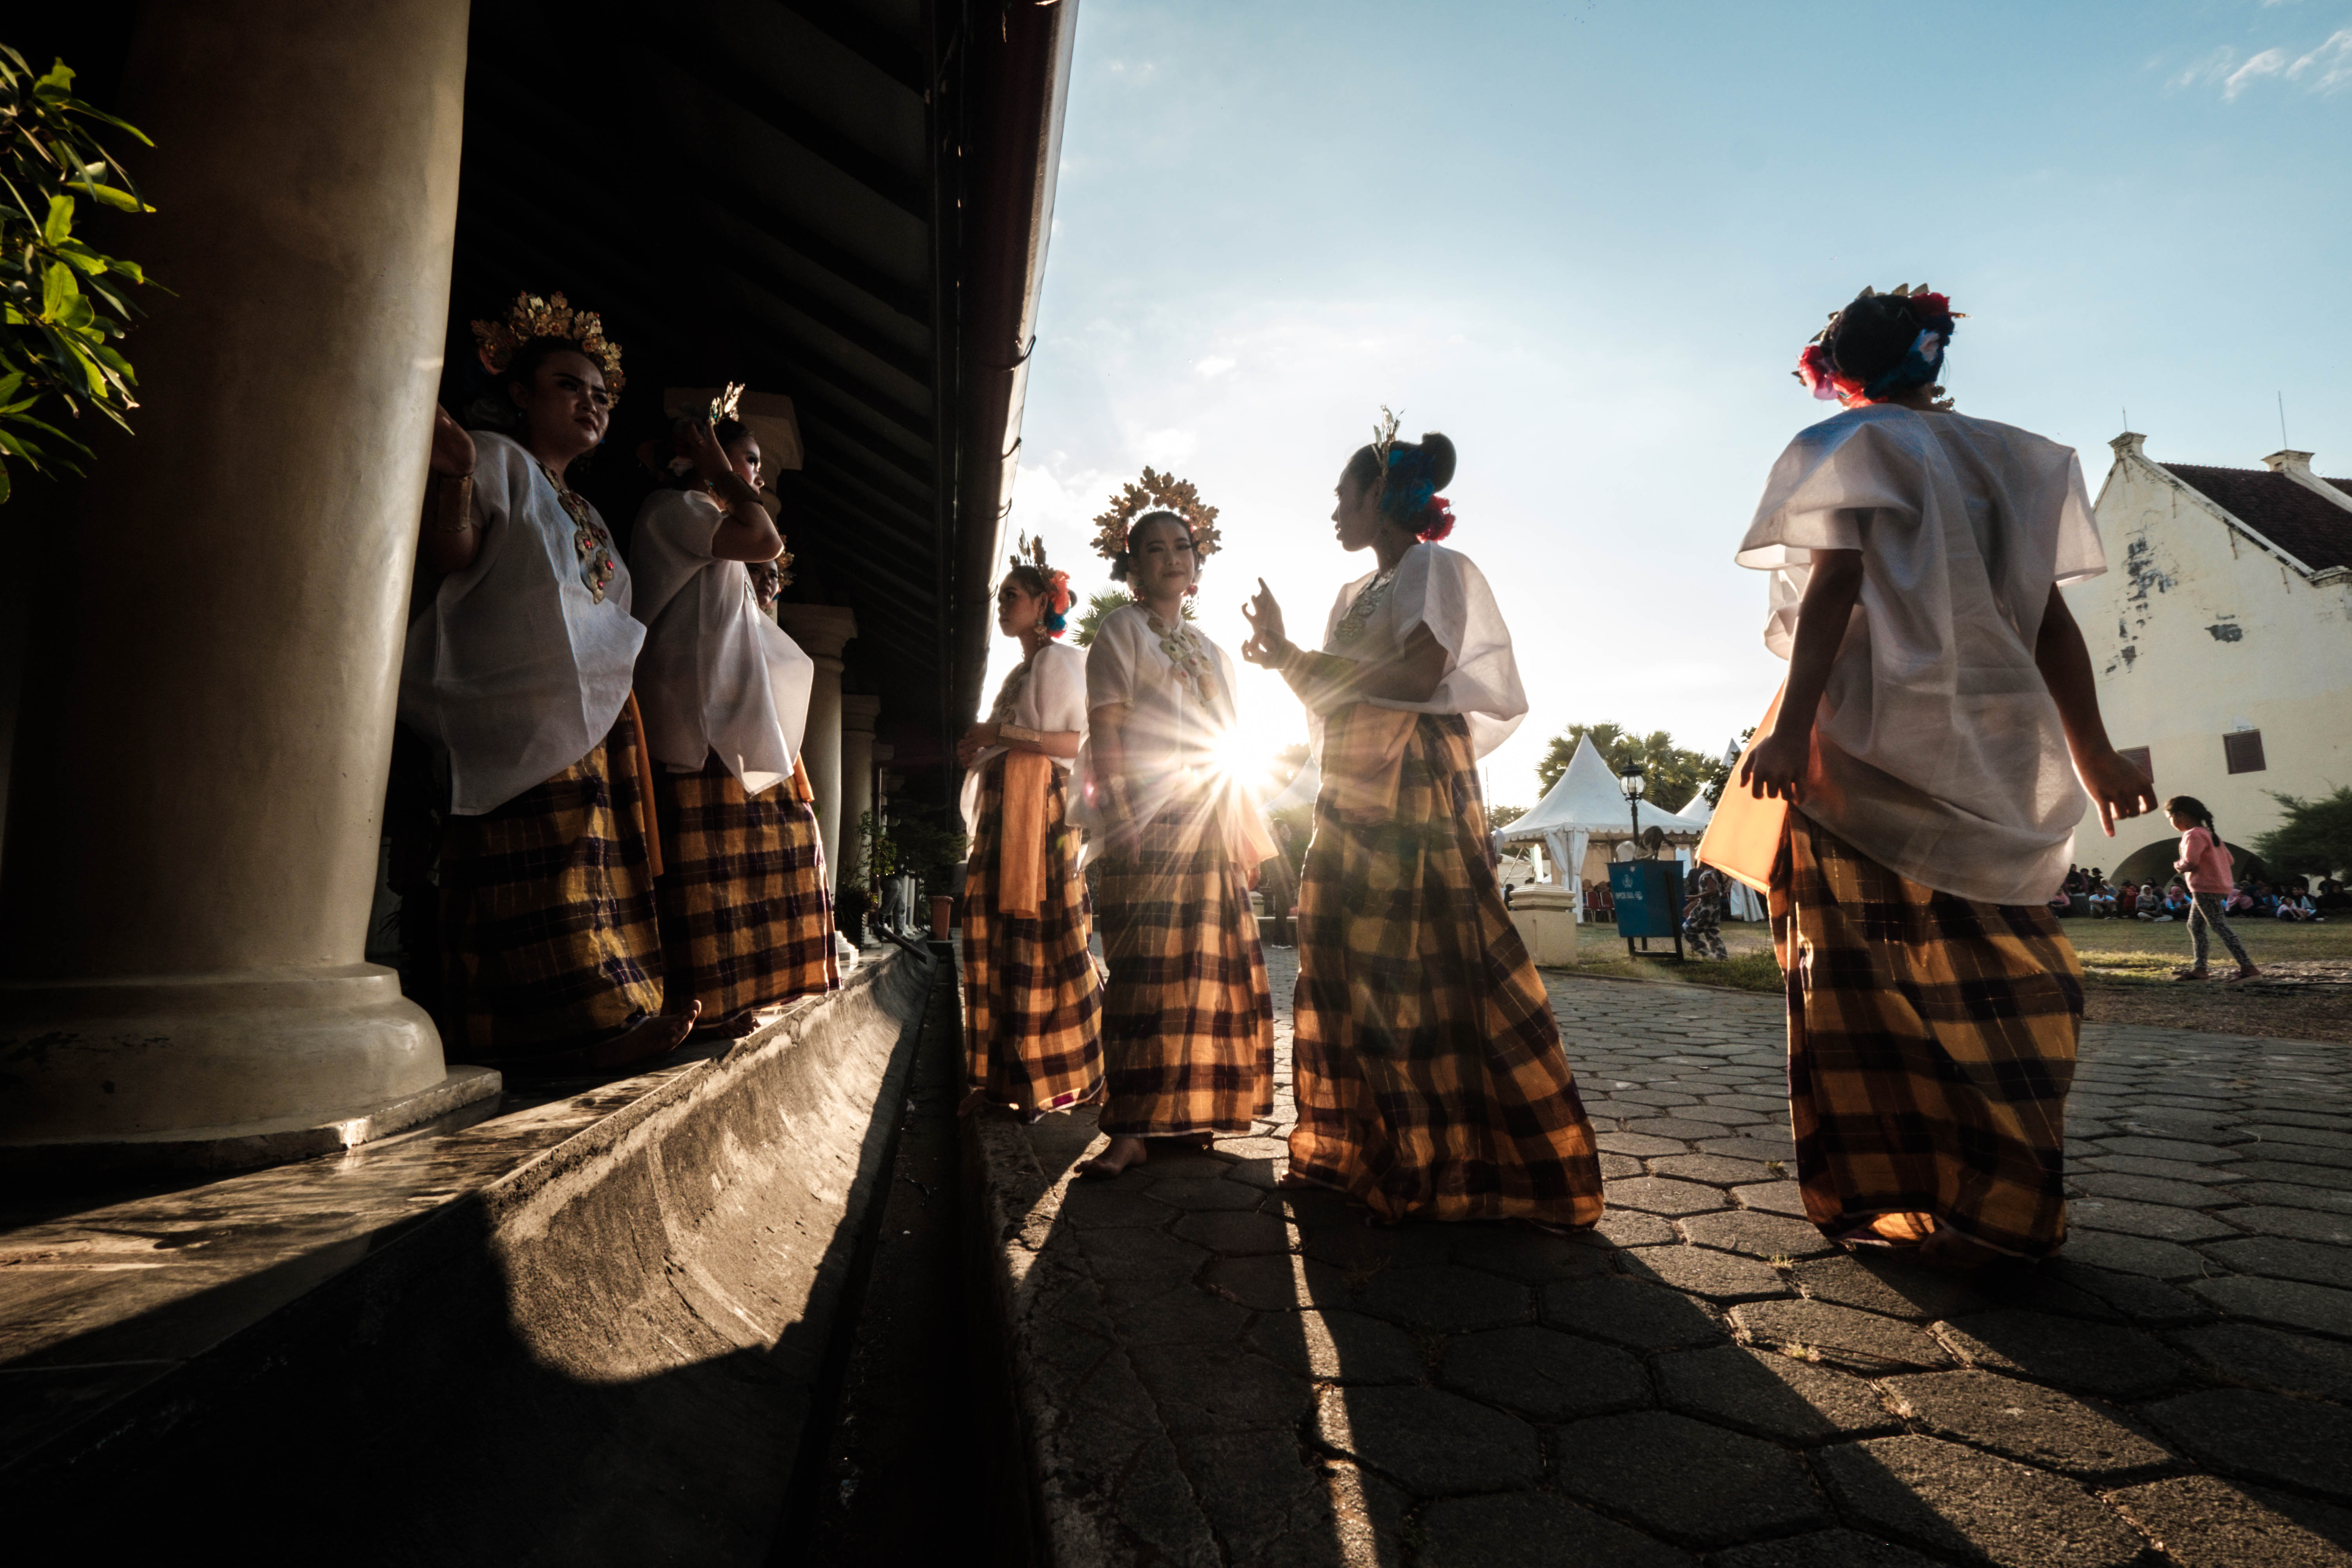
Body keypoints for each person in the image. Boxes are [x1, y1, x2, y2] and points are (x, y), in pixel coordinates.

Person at [1737, 285, 2154, 1267]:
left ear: (1833, 368)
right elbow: (2051, 619)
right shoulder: (2017, 458)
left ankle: (1904, 1190)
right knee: (2001, 959)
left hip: (1861, 737)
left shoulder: (1846, 447)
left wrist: (1790, 726)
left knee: (1859, 974)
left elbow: (1835, 587)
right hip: (1994, 738)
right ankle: (2004, 1194)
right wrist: (2091, 750)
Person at [1241, 419, 1605, 1227]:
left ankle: (1451, 1158)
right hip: (1353, 782)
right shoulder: (1350, 593)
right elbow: (1334, 692)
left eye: (1345, 495)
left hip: (1412, 777)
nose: (1335, 510)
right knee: (1344, 948)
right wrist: (1283, 654)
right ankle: (1364, 1146)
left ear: (1381, 495)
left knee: (1424, 950)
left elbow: (1419, 670)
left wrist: (1298, 654)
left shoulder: (1431, 566)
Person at [402, 290, 701, 1066]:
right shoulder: (497, 460)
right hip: (514, 706)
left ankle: (606, 1018)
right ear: (520, 394)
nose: (591, 404)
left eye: (601, 396)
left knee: (590, 874)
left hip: (589, 715)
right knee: (533, 879)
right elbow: (454, 555)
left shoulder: (592, 512)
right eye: (570, 385)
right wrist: (459, 473)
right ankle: (566, 1035)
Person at [1071, 483, 1276, 1178]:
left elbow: (1231, 744)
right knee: (1144, 975)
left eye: (1180, 548)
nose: (1169, 559)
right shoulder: (1121, 632)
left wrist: (1244, 833)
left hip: (1209, 821)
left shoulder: (1212, 649)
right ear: (1130, 567)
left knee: (1203, 974)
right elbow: (1108, 727)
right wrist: (1122, 814)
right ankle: (1129, 1128)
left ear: (1199, 561)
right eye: (1152, 550)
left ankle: (1192, 1115)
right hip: (1146, 818)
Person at [629, 407, 837, 1038]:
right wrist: (724, 474)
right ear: (702, 458)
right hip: (697, 717)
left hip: (728, 715)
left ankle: (735, 995)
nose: (755, 474)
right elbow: (767, 538)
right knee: (705, 872)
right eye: (748, 460)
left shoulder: (709, 520)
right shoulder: (679, 509)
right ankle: (706, 1004)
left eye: (753, 465)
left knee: (755, 863)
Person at [958, 537, 1105, 1120]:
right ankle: (1001, 1082)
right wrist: (982, 744)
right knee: (996, 940)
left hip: (1043, 816)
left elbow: (1075, 745)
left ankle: (1053, 1081)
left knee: (1052, 940)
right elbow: (1007, 741)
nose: (1003, 605)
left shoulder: (1061, 661)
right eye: (1001, 597)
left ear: (1046, 601)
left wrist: (1000, 736)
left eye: (1013, 595)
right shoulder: (1021, 670)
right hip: (1005, 814)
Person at [2163, 795, 2259, 980]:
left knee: (2219, 925)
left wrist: (2178, 865)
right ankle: (2200, 969)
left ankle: (2248, 968)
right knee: (2195, 926)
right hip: (2216, 887)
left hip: (2205, 887)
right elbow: (2229, 860)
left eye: (2171, 818)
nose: (2172, 823)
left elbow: (2190, 862)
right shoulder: (2209, 834)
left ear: (2180, 815)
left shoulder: (2193, 835)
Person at [1683, 862, 1731, 960]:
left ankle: (1706, 953)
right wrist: (1691, 905)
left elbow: (1712, 891)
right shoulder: (1713, 873)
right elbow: (1706, 892)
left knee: (1688, 929)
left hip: (1707, 909)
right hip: (1714, 908)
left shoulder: (1709, 875)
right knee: (1712, 932)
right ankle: (1722, 957)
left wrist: (1695, 897)